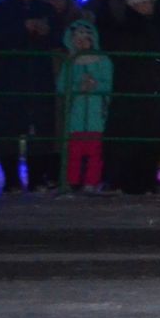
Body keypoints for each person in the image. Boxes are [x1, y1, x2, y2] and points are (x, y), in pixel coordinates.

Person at [0, 0, 61, 193]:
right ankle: (12, 180)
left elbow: (57, 37)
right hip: (10, 79)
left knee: (39, 131)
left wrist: (45, 32)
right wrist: (21, 30)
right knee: (9, 131)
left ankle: (35, 178)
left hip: (36, 78)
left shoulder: (45, 11)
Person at [105, 0, 160, 195]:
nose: (147, 7)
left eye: (149, 3)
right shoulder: (129, 29)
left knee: (146, 136)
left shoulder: (150, 26)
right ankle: (132, 179)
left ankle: (144, 177)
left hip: (146, 87)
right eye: (143, 3)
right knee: (135, 135)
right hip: (135, 88)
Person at [57, 16, 113, 195]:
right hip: (77, 115)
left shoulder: (102, 60)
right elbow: (61, 85)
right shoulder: (71, 62)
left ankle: (91, 181)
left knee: (95, 152)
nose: (82, 44)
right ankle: (72, 180)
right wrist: (76, 87)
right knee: (75, 150)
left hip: (97, 114)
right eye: (78, 41)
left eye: (85, 40)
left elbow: (109, 83)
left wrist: (96, 85)